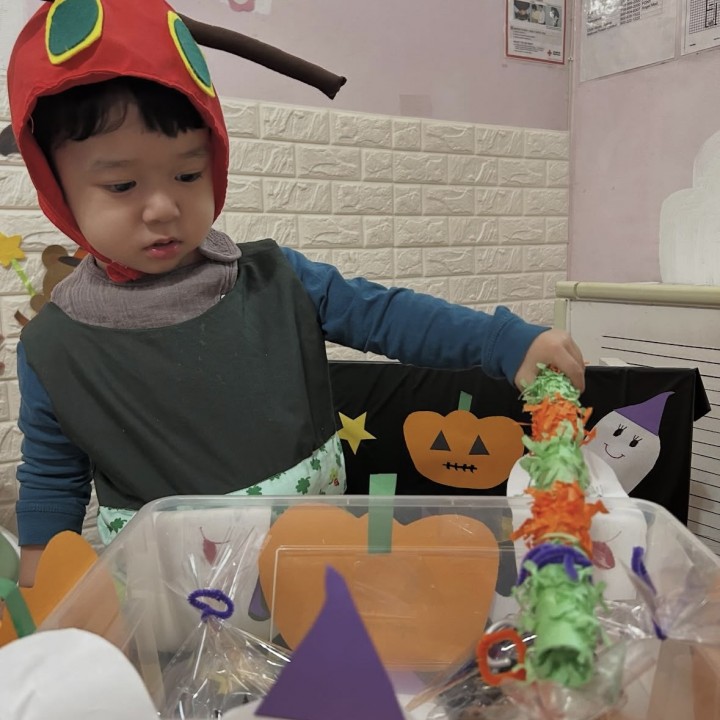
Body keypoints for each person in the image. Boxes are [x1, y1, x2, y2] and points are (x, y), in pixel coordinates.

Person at [8, 0, 585, 588]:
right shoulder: (53, 347)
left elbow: (387, 315)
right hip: (170, 597)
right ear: (57, 187)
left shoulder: (277, 279)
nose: (163, 207)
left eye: (187, 174)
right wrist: (39, 582)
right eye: (122, 184)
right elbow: (53, 477)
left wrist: (504, 341)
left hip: (317, 567)